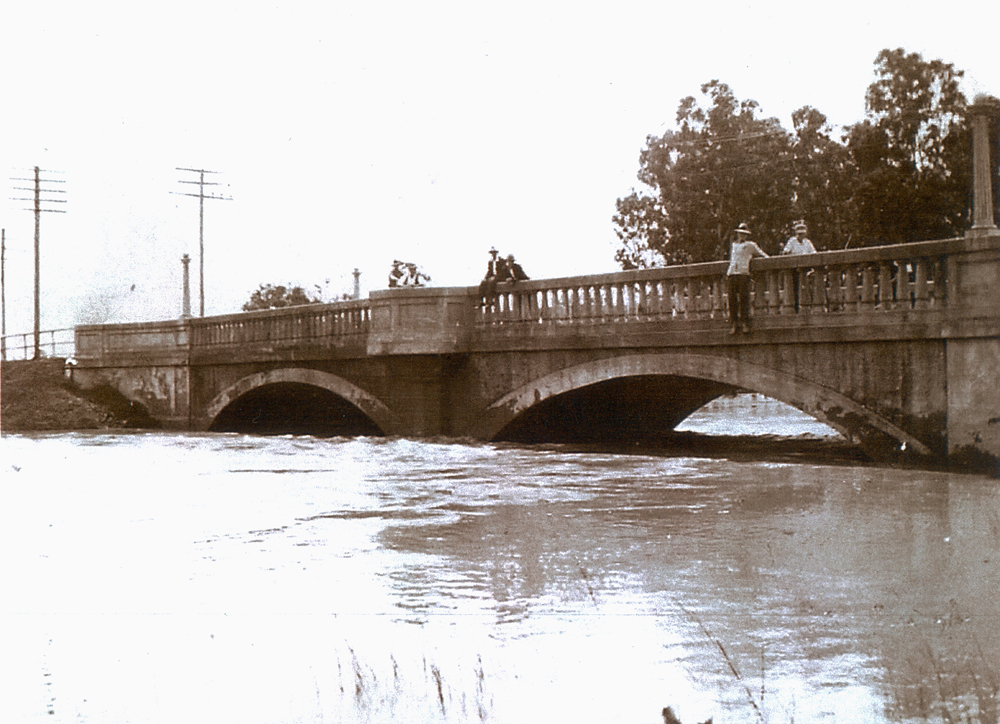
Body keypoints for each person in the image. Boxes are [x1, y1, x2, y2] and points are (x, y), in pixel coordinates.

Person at [725, 223, 768, 334]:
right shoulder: (733, 245)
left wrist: (768, 259)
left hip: (743, 274)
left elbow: (762, 254)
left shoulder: (751, 245)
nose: (742, 236)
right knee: (732, 300)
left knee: (744, 299)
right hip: (732, 273)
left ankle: (745, 323)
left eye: (744, 234)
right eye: (740, 233)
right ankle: (734, 323)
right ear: (738, 234)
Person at [781, 221, 816, 311]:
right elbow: (786, 251)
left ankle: (811, 304)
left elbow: (813, 253)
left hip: (806, 267)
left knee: (811, 284)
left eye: (803, 234)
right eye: (799, 234)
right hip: (795, 268)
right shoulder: (792, 241)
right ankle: (796, 306)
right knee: (795, 288)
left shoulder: (807, 242)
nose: (801, 236)